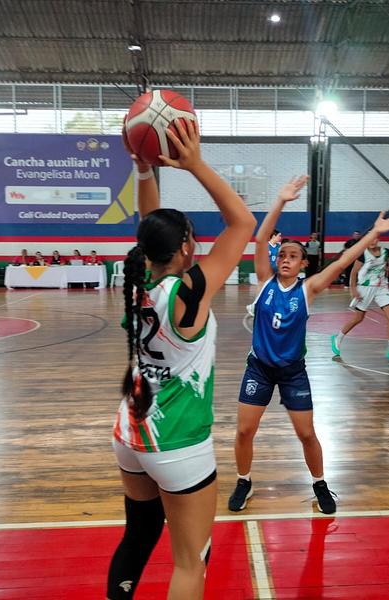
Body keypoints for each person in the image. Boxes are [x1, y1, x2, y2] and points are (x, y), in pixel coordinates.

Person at [108, 118, 255, 600]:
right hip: (177, 443)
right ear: (188, 248)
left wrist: (145, 171)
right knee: (192, 562)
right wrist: (194, 164)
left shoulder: (139, 278)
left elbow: (152, 229)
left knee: (139, 535)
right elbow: (243, 223)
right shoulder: (189, 292)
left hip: (130, 432)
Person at [228, 177, 389, 515]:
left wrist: (374, 233)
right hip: (260, 368)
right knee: (243, 429)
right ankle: (244, 480)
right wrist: (280, 200)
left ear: (303, 263)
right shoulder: (265, 281)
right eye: (282, 254)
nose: (285, 259)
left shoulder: (307, 290)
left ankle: (320, 484)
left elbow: (341, 263)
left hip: (293, 371)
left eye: (293, 256)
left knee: (307, 434)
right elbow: (262, 237)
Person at [330, 239, 389, 363]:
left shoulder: (385, 252)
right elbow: (353, 273)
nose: (372, 241)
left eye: (375, 238)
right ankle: (338, 338)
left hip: (381, 288)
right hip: (365, 288)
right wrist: (353, 289)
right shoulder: (363, 254)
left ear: (378, 239)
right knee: (359, 318)